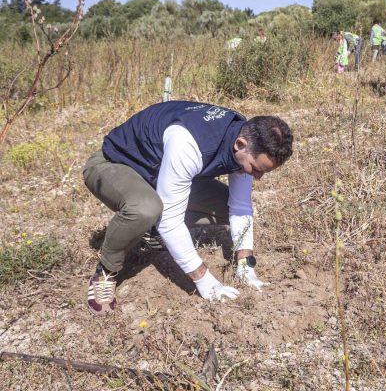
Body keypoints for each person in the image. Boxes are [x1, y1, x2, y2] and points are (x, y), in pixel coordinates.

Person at [82, 101, 293, 314]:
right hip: (115, 165)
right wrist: (204, 280)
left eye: (263, 172)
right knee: (146, 208)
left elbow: (240, 207)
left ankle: (151, 232)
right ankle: (106, 271)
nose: (258, 177)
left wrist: (246, 264)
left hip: (160, 171)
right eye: (256, 169)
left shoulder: (244, 139)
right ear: (240, 144)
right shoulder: (189, 143)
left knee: (224, 205)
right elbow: (170, 220)